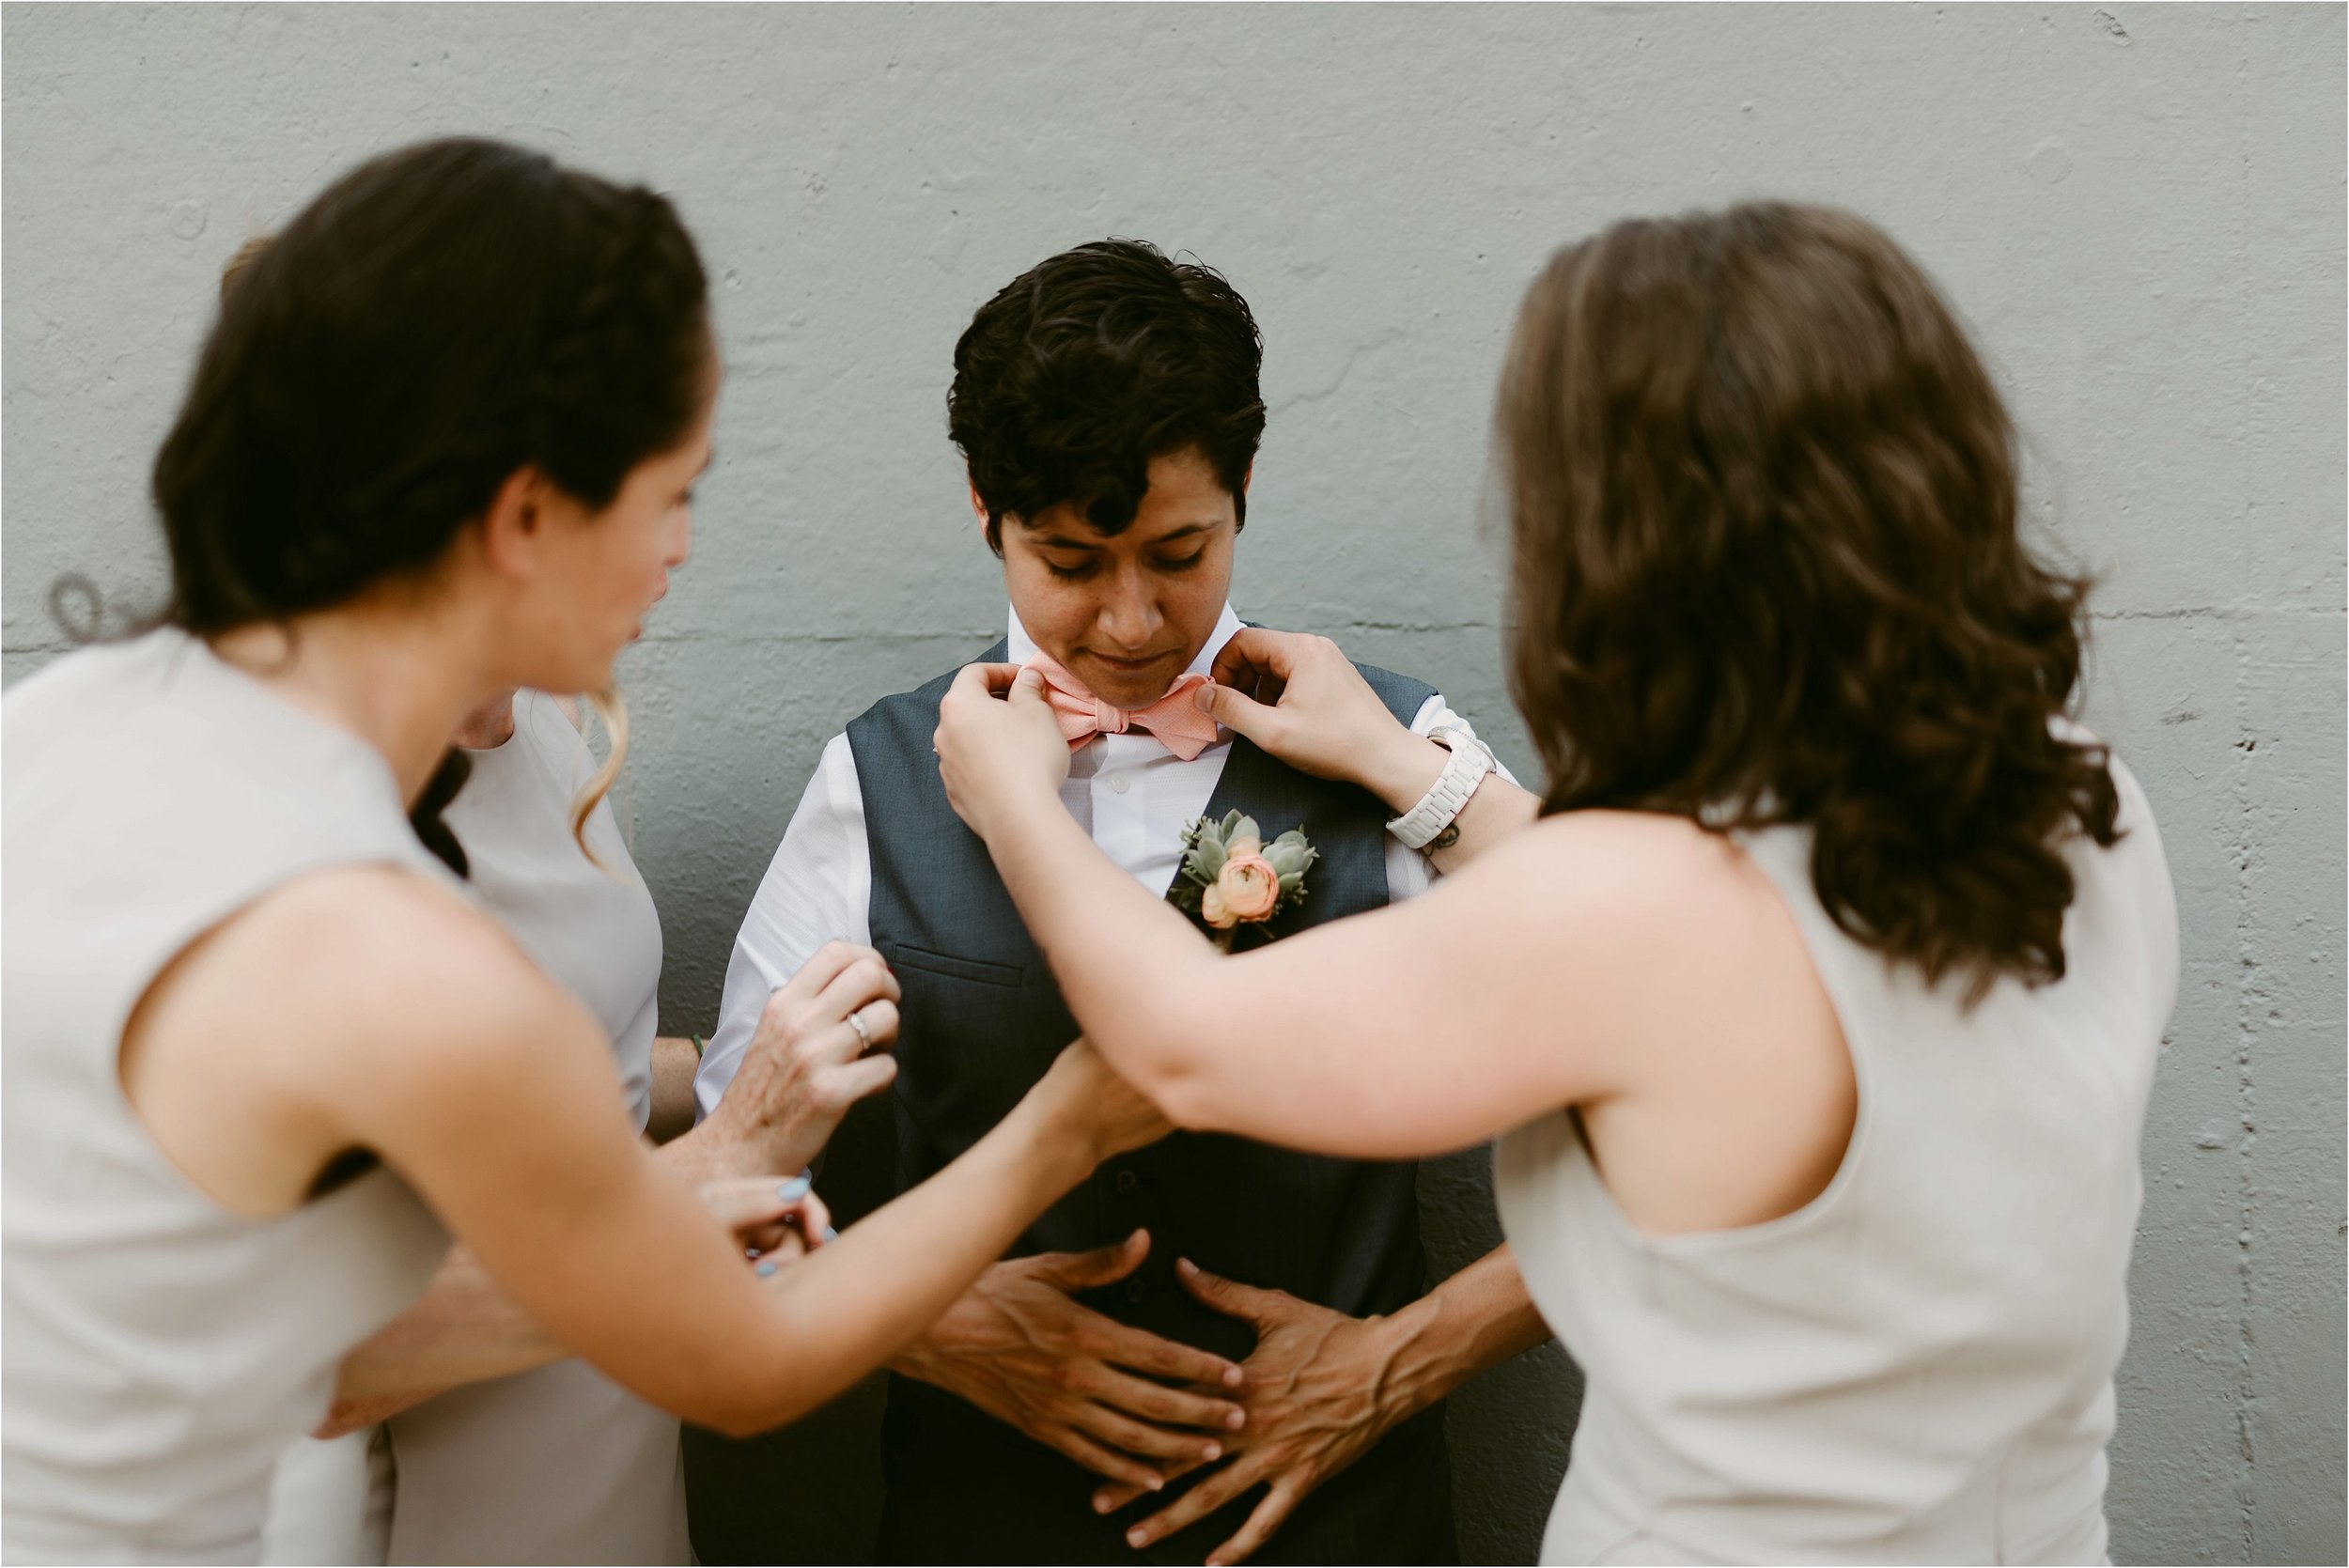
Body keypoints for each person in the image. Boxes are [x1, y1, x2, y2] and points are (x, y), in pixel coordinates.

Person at [932, 202, 2180, 1565]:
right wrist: (1402, 766)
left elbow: (1180, 1045)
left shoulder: (1643, 908)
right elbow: (1728, 974)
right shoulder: (2079, 802)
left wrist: (1010, 800)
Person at [0, 135, 1167, 1565]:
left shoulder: (59, 730)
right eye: (669, 490)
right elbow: (735, 1362)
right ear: (524, 517)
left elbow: (274, 1309)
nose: (680, 549)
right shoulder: (390, 946)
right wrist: (1078, 1116)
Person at [694, 239, 1550, 1566]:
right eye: (1073, 560)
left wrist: (1396, 1361)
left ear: (1244, 491)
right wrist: (939, 1324)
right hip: (987, 1524)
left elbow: (1669, 1005)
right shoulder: (870, 779)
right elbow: (724, 1195)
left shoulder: (1400, 742)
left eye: (1178, 550)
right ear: (985, 506)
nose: (1137, 618)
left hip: (1350, 1531)